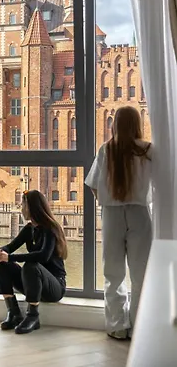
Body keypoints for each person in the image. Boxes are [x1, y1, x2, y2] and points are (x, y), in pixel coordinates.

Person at [85, 106, 153, 340]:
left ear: (115, 124)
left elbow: (93, 185)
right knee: (141, 273)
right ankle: (139, 325)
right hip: (140, 213)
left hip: (112, 213)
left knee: (113, 272)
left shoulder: (106, 149)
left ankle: (117, 325)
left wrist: (107, 199)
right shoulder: (148, 150)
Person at [0, 189, 67, 334]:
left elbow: (43, 256)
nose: (21, 209)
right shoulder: (29, 229)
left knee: (31, 265)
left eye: (23, 205)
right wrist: (0, 252)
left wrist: (10, 257)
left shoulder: (51, 229)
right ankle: (13, 312)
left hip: (54, 287)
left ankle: (33, 316)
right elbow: (10, 247)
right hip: (33, 284)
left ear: (32, 207)